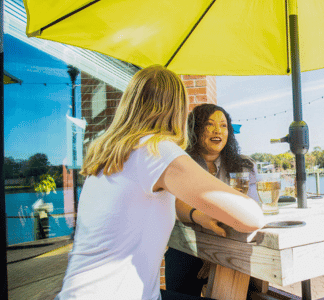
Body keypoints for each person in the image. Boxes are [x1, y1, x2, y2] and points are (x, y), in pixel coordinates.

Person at [54, 65, 265, 300]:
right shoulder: (156, 150)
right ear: (178, 110)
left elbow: (168, 203)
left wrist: (199, 215)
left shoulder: (111, 155)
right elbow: (251, 218)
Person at [164, 104, 259, 297]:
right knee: (180, 263)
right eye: (209, 124)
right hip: (187, 249)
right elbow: (174, 204)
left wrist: (216, 257)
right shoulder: (181, 163)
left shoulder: (245, 165)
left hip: (233, 249)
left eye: (223, 125)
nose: (218, 130)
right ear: (195, 129)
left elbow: (254, 208)